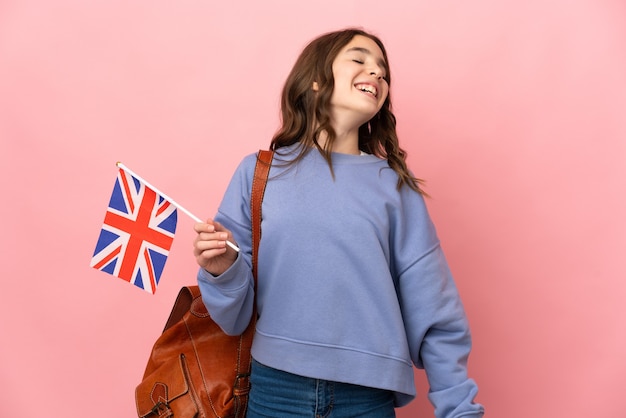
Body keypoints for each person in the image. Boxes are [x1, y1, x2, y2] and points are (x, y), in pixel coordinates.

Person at [193, 28, 484, 418]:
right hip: (274, 391)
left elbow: (434, 309)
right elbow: (234, 319)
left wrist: (458, 407)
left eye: (383, 70)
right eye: (360, 59)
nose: (377, 73)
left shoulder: (395, 187)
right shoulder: (259, 174)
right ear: (315, 80)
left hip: (367, 399)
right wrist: (222, 271)